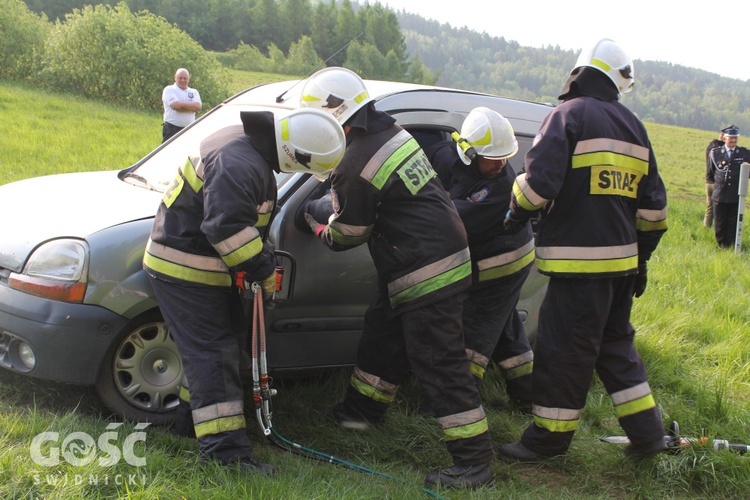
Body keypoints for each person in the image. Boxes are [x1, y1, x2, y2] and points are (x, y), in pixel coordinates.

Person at [298, 67, 494, 489]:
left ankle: (475, 463)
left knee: (438, 362)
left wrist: (317, 220)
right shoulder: (391, 133)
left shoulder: (356, 160)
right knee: (382, 335)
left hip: (427, 268)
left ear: (336, 118)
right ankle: (360, 414)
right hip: (427, 257)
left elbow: (348, 234)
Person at [143, 108, 346, 473]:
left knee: (210, 353)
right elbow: (228, 231)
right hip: (186, 270)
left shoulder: (245, 144)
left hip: (195, 264)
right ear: (293, 153)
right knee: (213, 354)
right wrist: (265, 270)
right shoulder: (239, 163)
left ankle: (188, 427)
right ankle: (226, 455)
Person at [499, 39, 669, 461]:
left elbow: (539, 184)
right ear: (617, 81)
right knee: (616, 349)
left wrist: (515, 213)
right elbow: (655, 211)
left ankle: (547, 442)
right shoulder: (634, 126)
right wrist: (641, 259)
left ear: (578, 73)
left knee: (563, 353)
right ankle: (648, 436)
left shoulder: (567, 116)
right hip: (621, 272)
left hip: (578, 271)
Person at [423, 107, 535, 411]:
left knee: (477, 328)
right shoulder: (447, 157)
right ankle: (528, 395)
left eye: (504, 156)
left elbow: (450, 223)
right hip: (494, 259)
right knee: (506, 326)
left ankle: (458, 401)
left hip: (503, 264)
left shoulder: (499, 187)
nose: (501, 163)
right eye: (493, 157)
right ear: (468, 153)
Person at [707, 125, 750, 248]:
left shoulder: (744, 153)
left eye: (735, 138)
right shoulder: (715, 153)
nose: (733, 141)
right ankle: (721, 245)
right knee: (720, 222)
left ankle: (731, 245)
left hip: (735, 195)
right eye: (731, 138)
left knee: (733, 223)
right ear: (724, 138)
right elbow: (711, 173)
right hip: (720, 194)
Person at [162, 68, 202, 142]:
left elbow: (198, 107)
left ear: (188, 79)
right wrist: (191, 107)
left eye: (185, 78)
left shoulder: (194, 92)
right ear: (175, 78)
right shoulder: (169, 89)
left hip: (189, 129)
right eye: (180, 78)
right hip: (172, 129)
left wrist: (181, 105)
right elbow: (175, 106)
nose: (183, 80)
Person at [703, 130, 725, 228]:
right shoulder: (721, 150)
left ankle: (706, 228)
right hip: (717, 182)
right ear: (724, 138)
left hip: (708, 182)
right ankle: (719, 230)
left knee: (710, 208)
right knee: (720, 209)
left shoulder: (710, 147)